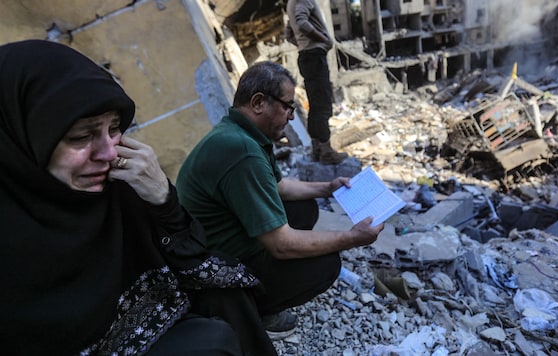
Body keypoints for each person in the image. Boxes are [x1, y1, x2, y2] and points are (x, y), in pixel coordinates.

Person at [0, 39, 277, 356]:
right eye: (81, 136)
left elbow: (193, 257)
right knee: (208, 344)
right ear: (21, 140)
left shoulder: (115, 186)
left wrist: (164, 201)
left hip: (143, 322)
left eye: (114, 128)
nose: (108, 153)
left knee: (226, 296)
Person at [176, 61, 384, 339]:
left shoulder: (241, 134)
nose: (290, 116)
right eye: (287, 106)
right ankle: (251, 307)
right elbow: (282, 245)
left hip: (216, 240)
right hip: (211, 267)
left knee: (302, 208)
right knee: (325, 265)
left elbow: (279, 187)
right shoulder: (242, 151)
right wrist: (352, 237)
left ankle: (261, 290)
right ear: (259, 102)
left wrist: (328, 188)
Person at [285, 0, 348, 164]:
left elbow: (289, 34)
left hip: (306, 56)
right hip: (314, 56)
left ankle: (317, 150)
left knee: (316, 104)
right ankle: (326, 152)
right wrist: (325, 40)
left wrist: (302, 44)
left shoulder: (291, 3)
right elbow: (301, 23)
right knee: (323, 105)